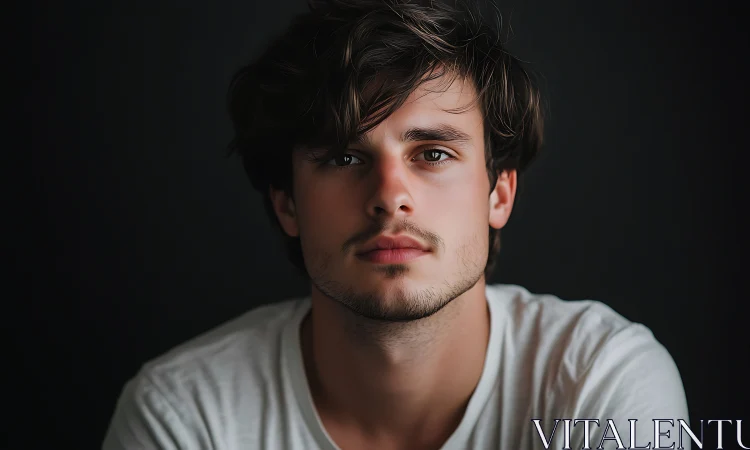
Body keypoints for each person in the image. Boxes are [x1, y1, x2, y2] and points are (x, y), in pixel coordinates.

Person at [103, 0, 689, 449]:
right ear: (286, 205)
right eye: (344, 157)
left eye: (433, 153)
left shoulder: (599, 380)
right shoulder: (184, 417)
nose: (389, 198)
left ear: (499, 193)